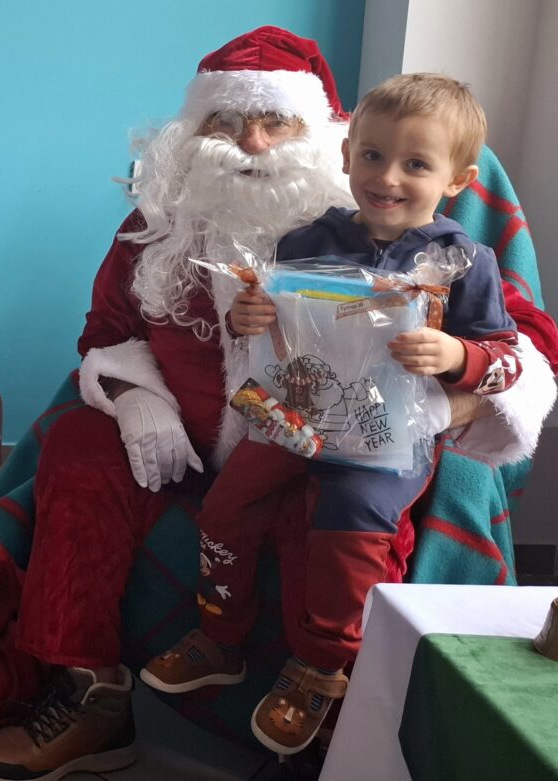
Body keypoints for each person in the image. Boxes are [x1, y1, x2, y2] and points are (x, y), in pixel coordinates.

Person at [0, 27, 557, 781]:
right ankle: (92, 693)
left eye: (276, 120)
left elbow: (525, 345)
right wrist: (134, 395)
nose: (251, 141)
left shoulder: (396, 228)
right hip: (183, 444)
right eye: (225, 120)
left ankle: (325, 728)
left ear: (323, 137)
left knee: (337, 507)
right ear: (191, 134)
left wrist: (440, 406)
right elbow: (106, 332)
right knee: (78, 444)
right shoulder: (156, 224)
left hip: (329, 442)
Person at [140, 73, 524, 756]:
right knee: (226, 506)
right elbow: (273, 334)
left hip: (388, 435)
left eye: (416, 164)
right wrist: (247, 317)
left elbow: (505, 358)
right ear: (346, 156)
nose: (388, 177)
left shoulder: (464, 262)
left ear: (459, 180)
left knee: (352, 523)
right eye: (372, 155)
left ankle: (321, 665)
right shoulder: (305, 241)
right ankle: (220, 635)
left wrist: (456, 354)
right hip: (298, 417)